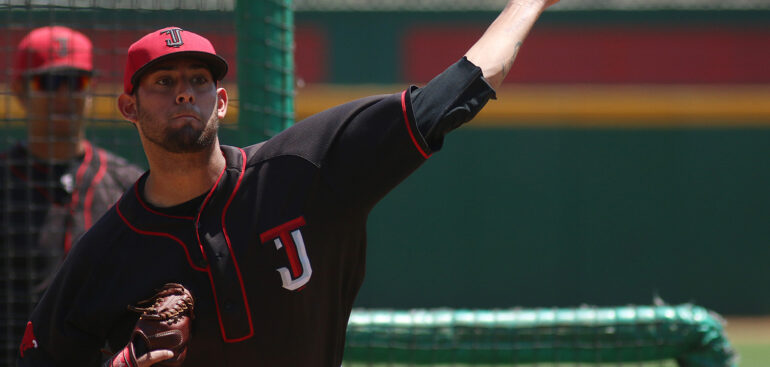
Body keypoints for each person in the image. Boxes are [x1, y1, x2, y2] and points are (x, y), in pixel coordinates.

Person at [17, 0, 560, 366]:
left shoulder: (304, 169)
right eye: (164, 82)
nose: (185, 93)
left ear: (222, 101)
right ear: (129, 106)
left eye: (199, 81)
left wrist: (529, 3)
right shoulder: (104, 254)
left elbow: (455, 93)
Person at [0, 26, 143, 367]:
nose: (64, 95)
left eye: (76, 82)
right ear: (19, 89)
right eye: (48, 83)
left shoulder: (128, 186)